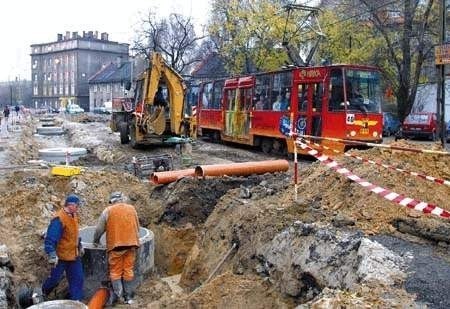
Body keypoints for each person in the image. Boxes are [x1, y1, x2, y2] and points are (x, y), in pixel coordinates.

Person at [93, 192, 140, 305]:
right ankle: (129, 296)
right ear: (122, 199)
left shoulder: (108, 211)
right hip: (132, 244)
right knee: (128, 270)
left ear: (112, 201)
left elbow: (99, 229)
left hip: (116, 246)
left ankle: (119, 297)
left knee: (115, 272)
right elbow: (137, 226)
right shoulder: (132, 209)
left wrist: (96, 240)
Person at [42, 194, 84, 301]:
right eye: (77, 206)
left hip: (74, 255)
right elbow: (51, 238)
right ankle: (41, 295)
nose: (78, 208)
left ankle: (76, 302)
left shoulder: (73, 215)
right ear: (70, 205)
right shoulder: (59, 219)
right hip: (61, 257)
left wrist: (79, 245)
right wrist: (51, 253)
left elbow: (73, 234)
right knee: (54, 280)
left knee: (78, 279)